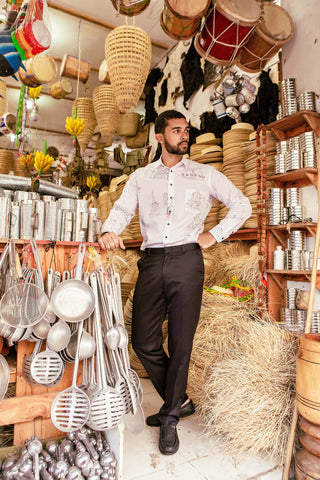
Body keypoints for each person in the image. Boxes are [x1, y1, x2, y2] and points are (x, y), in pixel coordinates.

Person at [98, 109, 252, 455]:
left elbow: (241, 205)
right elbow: (122, 210)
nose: (185, 135)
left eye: (186, 130)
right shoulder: (141, 177)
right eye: (177, 130)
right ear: (159, 137)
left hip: (187, 262)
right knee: (143, 341)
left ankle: (169, 419)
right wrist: (110, 230)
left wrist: (215, 234)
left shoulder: (205, 175)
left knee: (182, 343)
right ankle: (178, 399)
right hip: (151, 263)